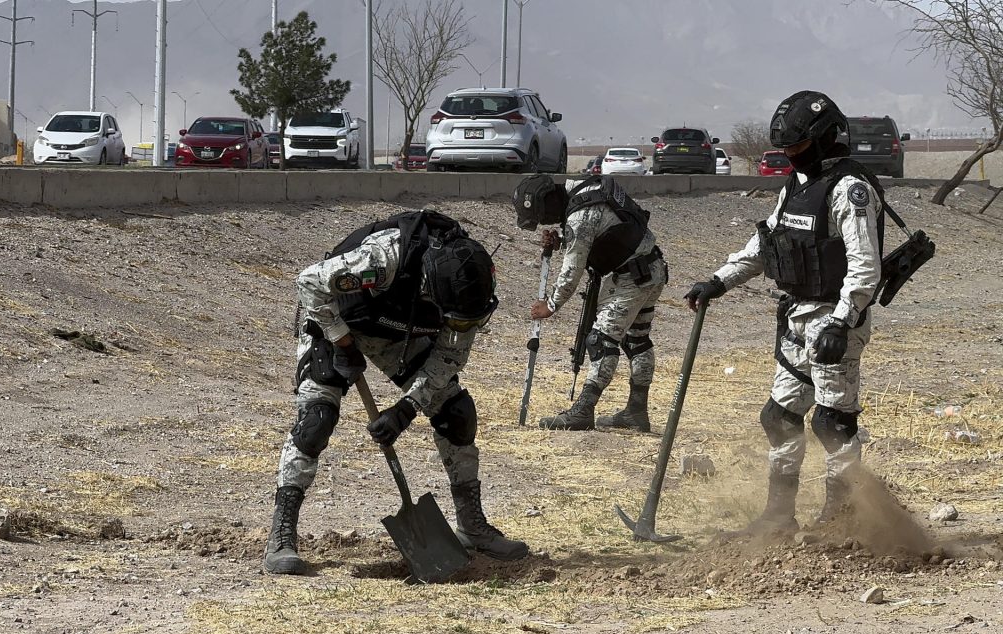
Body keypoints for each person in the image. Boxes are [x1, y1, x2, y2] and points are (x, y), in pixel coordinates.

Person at [264, 209, 529, 575]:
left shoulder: (469, 288)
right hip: (335, 318)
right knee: (317, 419)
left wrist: (407, 408)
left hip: (397, 334)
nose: (458, 327)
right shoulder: (384, 258)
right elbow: (310, 282)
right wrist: (342, 342)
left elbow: (449, 355)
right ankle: (282, 534)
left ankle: (472, 525)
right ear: (427, 288)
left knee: (457, 413)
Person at [685, 90, 884, 533]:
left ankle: (842, 518)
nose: (792, 157)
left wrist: (842, 319)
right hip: (797, 319)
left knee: (834, 422)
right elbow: (766, 244)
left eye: (798, 148)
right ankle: (779, 515)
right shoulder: (795, 186)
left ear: (826, 138)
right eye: (787, 151)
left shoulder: (850, 190)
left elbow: (865, 265)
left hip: (836, 321)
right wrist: (719, 280)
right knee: (779, 417)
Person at [512, 174, 668, 432]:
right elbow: (605, 233)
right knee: (637, 340)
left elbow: (572, 271)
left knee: (601, 341)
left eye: (542, 215)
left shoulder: (579, 216)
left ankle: (583, 411)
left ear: (547, 203)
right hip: (651, 268)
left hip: (631, 278)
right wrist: (563, 241)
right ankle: (636, 413)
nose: (545, 221)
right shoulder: (586, 188)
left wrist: (550, 305)